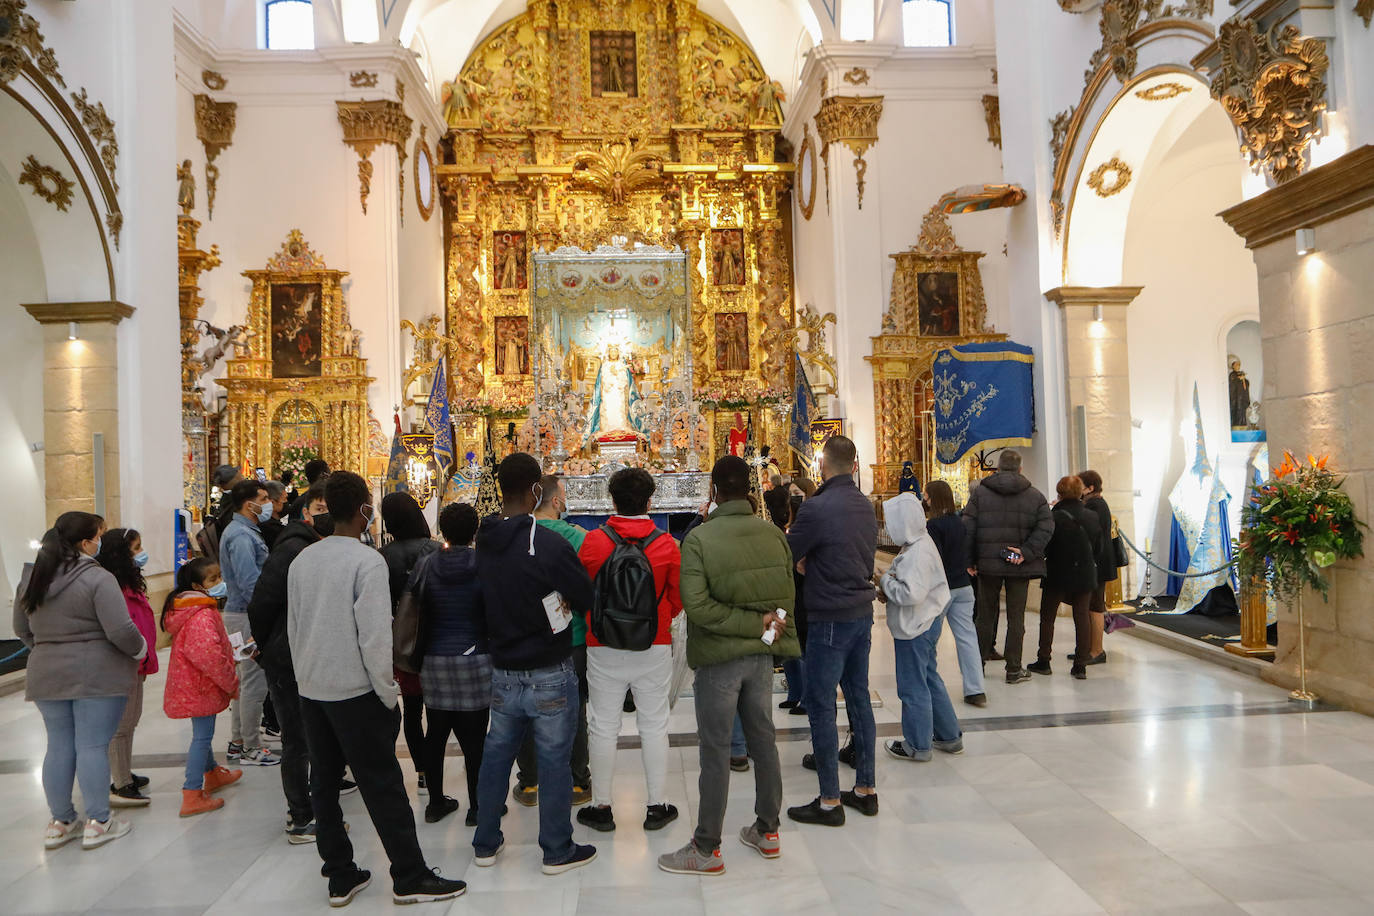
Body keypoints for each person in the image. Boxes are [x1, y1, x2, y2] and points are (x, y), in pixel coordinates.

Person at [288, 471, 465, 907]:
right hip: (355, 690)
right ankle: (409, 875)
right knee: (384, 785)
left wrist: (304, 677)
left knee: (324, 784)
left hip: (312, 688)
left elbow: (294, 626)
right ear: (365, 510)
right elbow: (373, 637)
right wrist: (387, 694)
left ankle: (340, 875)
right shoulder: (365, 561)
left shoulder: (303, 559)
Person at [658, 455, 798, 875]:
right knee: (763, 742)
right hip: (759, 659)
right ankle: (768, 830)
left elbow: (696, 607)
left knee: (716, 751)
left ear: (713, 491)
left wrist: (751, 626)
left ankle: (705, 847)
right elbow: (786, 602)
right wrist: (763, 631)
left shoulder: (699, 540)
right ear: (749, 490)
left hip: (718, 662)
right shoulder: (774, 535)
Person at [472, 453, 598, 876]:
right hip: (549, 666)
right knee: (554, 760)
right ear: (535, 492)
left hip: (504, 668)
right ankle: (556, 848)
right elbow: (584, 596)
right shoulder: (548, 543)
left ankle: (485, 842)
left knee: (497, 756)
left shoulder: (482, 541)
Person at [15, 512, 148, 851]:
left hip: (47, 671)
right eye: (99, 534)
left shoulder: (34, 576)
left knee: (58, 746)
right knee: (91, 746)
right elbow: (120, 630)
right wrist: (139, 649)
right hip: (96, 673)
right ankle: (99, 822)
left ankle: (60, 822)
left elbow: (21, 627)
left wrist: (47, 647)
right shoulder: (96, 577)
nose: (101, 540)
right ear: (86, 542)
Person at [576, 467, 683, 834]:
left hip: (601, 643)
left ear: (612, 499)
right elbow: (677, 599)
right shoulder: (666, 544)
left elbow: (582, 592)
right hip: (653, 644)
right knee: (654, 725)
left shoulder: (593, 542)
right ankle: (656, 805)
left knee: (603, 726)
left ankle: (601, 806)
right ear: (650, 501)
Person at [786, 436, 880, 826]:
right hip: (861, 613)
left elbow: (788, 553)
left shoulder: (816, 507)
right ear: (855, 465)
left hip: (829, 616)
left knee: (822, 705)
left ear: (822, 465)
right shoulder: (865, 505)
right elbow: (856, 552)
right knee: (858, 698)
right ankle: (865, 789)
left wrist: (806, 564)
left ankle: (829, 801)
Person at [248, 480, 334, 844]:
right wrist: (270, 647)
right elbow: (262, 603)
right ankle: (300, 817)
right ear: (306, 513)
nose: (327, 515)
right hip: (288, 658)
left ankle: (315, 810)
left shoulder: (313, 546)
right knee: (298, 740)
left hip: (304, 654)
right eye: (320, 509)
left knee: (313, 737)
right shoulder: (292, 550)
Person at [514, 475, 593, 808]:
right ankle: (578, 782)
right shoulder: (578, 537)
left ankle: (530, 783)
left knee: (527, 708)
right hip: (571, 636)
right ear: (557, 502)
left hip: (527, 635)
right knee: (573, 709)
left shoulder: (518, 536)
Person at [418, 502, 492, 827]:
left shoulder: (426, 565)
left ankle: (435, 802)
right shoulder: (484, 564)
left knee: (435, 733)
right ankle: (478, 806)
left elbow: (414, 606)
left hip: (435, 658)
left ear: (443, 530)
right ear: (474, 531)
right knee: (475, 738)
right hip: (475, 658)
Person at [877, 493, 963, 761]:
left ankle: (917, 745)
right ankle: (949, 736)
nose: (889, 528)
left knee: (913, 686)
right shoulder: (918, 543)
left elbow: (911, 594)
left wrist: (884, 583)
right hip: (925, 621)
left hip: (916, 625)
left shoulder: (918, 552)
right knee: (928, 678)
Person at [962, 450, 1054, 685]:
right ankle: (1013, 669)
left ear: (998, 468)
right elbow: (1046, 527)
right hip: (1018, 566)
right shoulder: (1035, 496)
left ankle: (978, 665)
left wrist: (969, 560)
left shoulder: (980, 494)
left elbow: (968, 528)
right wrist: (1026, 551)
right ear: (1020, 469)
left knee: (984, 616)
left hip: (988, 564)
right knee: (1016, 618)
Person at [162, 558, 244, 817]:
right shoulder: (201, 615)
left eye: (220, 577)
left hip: (192, 684)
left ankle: (212, 775)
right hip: (201, 686)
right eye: (213, 580)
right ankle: (192, 792)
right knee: (202, 737)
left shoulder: (193, 608)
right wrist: (230, 682)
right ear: (198, 585)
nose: (220, 583)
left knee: (202, 733)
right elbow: (209, 656)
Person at [378, 492, 439, 793]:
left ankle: (423, 770)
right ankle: (437, 768)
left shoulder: (383, 556)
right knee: (439, 711)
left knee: (413, 711)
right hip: (437, 639)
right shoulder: (435, 549)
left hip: (403, 643)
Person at [218, 478, 279, 766]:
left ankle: (239, 740)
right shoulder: (241, 536)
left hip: (241, 613)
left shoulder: (245, 530)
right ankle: (251, 746)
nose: (268, 504)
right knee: (254, 681)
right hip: (246, 615)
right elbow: (249, 582)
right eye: (264, 498)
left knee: (245, 681)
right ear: (248, 503)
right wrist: (266, 614)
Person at [97, 528, 159, 807]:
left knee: (131, 720)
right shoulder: (109, 586)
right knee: (120, 725)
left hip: (137, 660)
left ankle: (125, 771)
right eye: (135, 548)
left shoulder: (129, 582)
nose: (140, 553)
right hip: (123, 662)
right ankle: (121, 783)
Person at [1029, 476, 1105, 681]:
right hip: (1085, 572)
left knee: (1048, 617)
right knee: (1081, 618)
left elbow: (1045, 545)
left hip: (1057, 571)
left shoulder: (1052, 517)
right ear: (1081, 492)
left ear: (1059, 493)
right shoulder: (1091, 516)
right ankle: (1080, 664)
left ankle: (1044, 660)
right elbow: (1098, 548)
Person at [924, 481, 985, 707]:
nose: (925, 501)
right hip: (964, 585)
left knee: (929, 639)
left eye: (926, 497)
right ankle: (976, 689)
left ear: (933, 499)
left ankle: (927, 683)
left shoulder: (933, 527)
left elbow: (934, 559)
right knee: (967, 637)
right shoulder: (960, 523)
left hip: (943, 590)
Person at [779, 482, 814, 716]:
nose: (794, 499)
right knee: (787, 647)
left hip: (804, 592)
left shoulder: (813, 522)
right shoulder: (787, 525)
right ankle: (794, 692)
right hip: (786, 592)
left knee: (803, 647)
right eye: (791, 495)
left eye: (798, 495)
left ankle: (807, 697)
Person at [1079, 469, 1116, 665]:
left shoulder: (1096, 505)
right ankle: (1086, 649)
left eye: (1081, 485)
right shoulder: (1092, 504)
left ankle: (1097, 650)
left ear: (1090, 488)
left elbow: (1091, 533)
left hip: (1098, 563)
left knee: (1095, 606)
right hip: (1096, 561)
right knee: (1089, 605)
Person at [260, 480, 288, 549]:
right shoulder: (272, 529)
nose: (286, 502)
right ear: (272, 503)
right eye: (284, 499)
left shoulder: (263, 521)